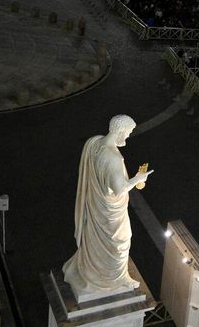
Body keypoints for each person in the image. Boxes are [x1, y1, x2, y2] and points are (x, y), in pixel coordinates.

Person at [62, 115, 153, 294]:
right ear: (120, 130)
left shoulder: (94, 143)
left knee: (96, 240)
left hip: (97, 206)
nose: (127, 137)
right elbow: (119, 189)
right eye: (127, 133)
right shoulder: (113, 158)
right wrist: (138, 179)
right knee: (121, 241)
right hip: (111, 214)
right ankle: (114, 279)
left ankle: (95, 271)